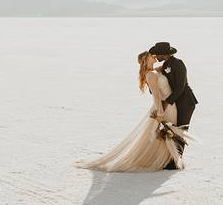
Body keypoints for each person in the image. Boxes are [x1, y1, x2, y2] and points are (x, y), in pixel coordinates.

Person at [76, 49, 194, 172]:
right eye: (150, 55)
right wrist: (160, 112)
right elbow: (156, 96)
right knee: (167, 134)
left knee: (170, 133)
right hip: (165, 107)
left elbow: (166, 69)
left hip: (171, 105)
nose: (154, 56)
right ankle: (168, 160)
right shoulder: (150, 75)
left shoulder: (156, 70)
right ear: (146, 60)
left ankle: (171, 159)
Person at [147, 41, 198, 169]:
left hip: (185, 102)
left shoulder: (178, 64)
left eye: (158, 54)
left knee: (181, 130)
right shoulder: (165, 65)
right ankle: (172, 158)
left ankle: (176, 161)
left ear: (165, 54)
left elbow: (181, 87)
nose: (156, 57)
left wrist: (167, 102)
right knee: (172, 129)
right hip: (174, 103)